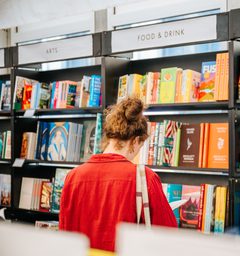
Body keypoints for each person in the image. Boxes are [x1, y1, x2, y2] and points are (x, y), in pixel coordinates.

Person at [59, 97, 177, 252]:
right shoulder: (144, 178)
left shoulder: (73, 176)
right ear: (135, 141)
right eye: (140, 147)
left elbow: (64, 232)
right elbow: (168, 234)